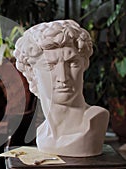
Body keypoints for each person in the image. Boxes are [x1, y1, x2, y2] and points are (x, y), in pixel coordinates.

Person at [14, 20, 109, 157]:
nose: (63, 77)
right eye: (50, 66)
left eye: (72, 64)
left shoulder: (95, 120)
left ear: (84, 65)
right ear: (32, 72)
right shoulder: (42, 132)